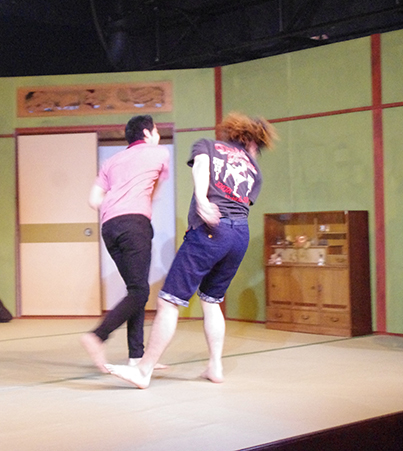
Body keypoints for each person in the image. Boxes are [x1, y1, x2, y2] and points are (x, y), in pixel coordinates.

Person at [107, 112, 277, 388]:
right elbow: (241, 201)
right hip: (239, 235)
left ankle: (143, 370)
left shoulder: (207, 145)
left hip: (210, 230)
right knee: (212, 300)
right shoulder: (253, 168)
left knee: (169, 301)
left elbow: (201, 167)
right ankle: (215, 366)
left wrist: (201, 199)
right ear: (250, 141)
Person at [80, 115, 170, 372]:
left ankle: (136, 357)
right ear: (147, 133)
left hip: (110, 227)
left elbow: (93, 200)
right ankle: (98, 335)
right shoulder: (159, 153)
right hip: (135, 224)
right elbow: (155, 190)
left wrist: (116, 202)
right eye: (155, 131)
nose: (157, 135)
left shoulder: (111, 161)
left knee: (136, 289)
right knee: (139, 292)